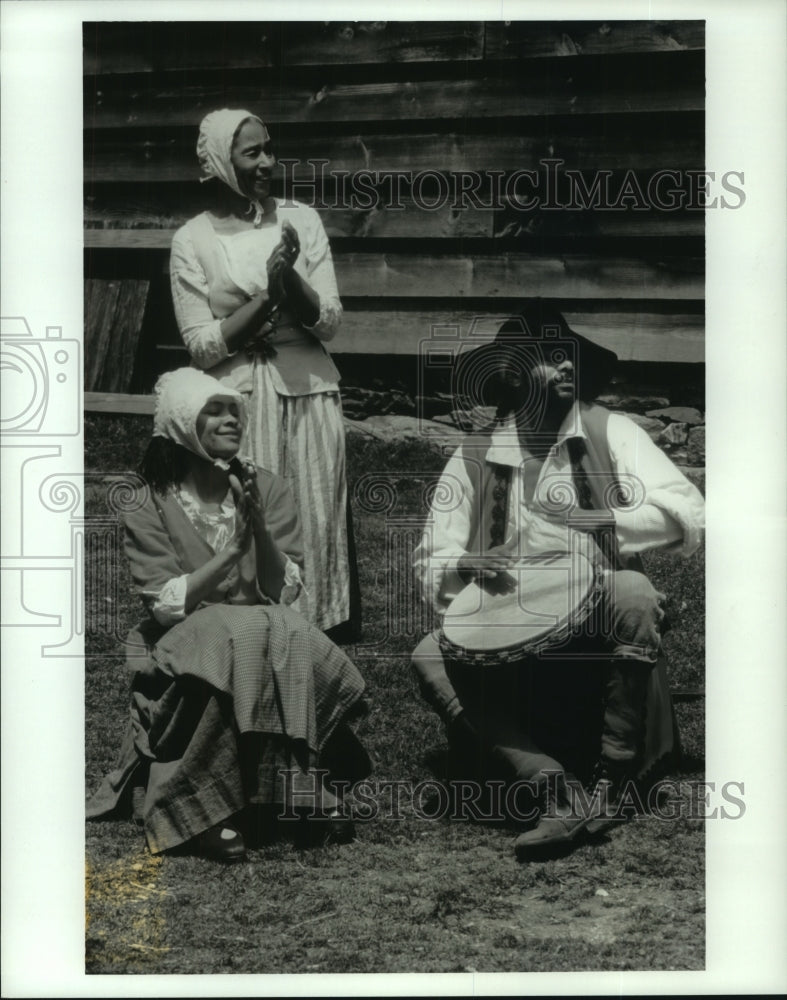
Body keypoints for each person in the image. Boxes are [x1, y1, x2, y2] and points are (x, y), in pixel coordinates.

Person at [411, 302, 705, 859]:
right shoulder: (474, 455)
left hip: (594, 613)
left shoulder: (610, 431)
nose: (566, 365)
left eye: (567, 355)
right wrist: (465, 565)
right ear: (514, 376)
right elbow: (431, 559)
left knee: (635, 594)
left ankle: (614, 777)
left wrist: (598, 520)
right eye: (549, 357)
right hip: (511, 624)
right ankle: (550, 784)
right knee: (428, 654)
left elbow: (687, 513)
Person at [86, 368, 371, 861]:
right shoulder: (149, 499)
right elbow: (166, 605)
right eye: (213, 412)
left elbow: (281, 590)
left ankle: (297, 791)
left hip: (256, 630)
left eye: (234, 411)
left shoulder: (268, 487)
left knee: (289, 630)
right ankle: (198, 811)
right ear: (182, 424)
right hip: (182, 637)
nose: (231, 420)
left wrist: (256, 526)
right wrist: (232, 549)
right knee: (239, 636)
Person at [169, 107, 359, 639]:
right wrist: (266, 299)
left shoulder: (301, 219)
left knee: (315, 513)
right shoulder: (192, 239)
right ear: (220, 162)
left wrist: (290, 281)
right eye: (252, 153)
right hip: (239, 400)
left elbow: (330, 322)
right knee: (247, 512)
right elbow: (202, 346)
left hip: (307, 391)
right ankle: (249, 628)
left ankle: (318, 629)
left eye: (269, 149)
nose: (267, 162)